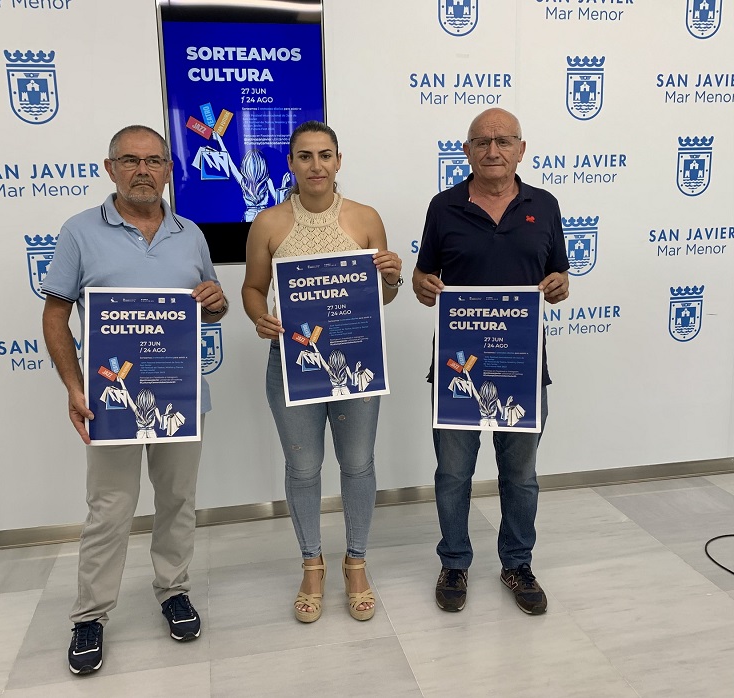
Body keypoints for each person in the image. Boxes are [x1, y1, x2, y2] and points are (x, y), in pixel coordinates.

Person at [42, 125, 228, 675]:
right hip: (110, 401)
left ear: (169, 169)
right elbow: (55, 314)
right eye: (130, 160)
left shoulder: (190, 234)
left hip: (179, 398)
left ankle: (173, 589)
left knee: (177, 501)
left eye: (153, 161)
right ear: (110, 168)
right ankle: (90, 615)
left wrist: (215, 303)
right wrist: (74, 386)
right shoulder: (79, 232)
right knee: (110, 509)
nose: (142, 170)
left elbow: (212, 308)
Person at [241, 121, 402, 623]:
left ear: (338, 161)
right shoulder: (268, 223)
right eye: (305, 156)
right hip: (293, 363)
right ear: (291, 163)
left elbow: (383, 297)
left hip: (356, 362)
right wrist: (260, 317)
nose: (316, 165)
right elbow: (252, 288)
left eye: (325, 155)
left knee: (357, 464)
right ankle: (312, 564)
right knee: (304, 469)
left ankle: (356, 563)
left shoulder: (366, 218)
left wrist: (392, 278)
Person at [412, 108, 569, 616]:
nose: (493, 150)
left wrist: (560, 286)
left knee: (520, 475)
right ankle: (454, 562)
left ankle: (517, 563)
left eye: (503, 141)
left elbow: (559, 277)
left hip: (521, 368)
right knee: (453, 473)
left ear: (521, 149)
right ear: (467, 152)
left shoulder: (544, 205)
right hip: (458, 368)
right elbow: (421, 277)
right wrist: (422, 286)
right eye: (482, 142)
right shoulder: (443, 207)